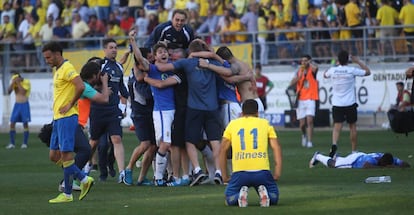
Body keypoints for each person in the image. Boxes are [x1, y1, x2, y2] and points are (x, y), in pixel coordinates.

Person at [42, 41, 94, 203]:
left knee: (66, 156)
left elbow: (80, 86)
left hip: (67, 118)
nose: (47, 60)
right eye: (45, 57)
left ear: (58, 54)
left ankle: (67, 194)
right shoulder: (58, 70)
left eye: (49, 57)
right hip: (58, 119)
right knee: (53, 155)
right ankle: (83, 179)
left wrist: (70, 104)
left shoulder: (67, 68)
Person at [219, 99, 282, 207]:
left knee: (229, 199)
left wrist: (224, 176)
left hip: (240, 172)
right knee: (274, 198)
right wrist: (277, 172)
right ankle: (265, 195)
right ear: (257, 113)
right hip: (262, 172)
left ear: (242, 113)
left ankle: (239, 196)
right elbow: (276, 148)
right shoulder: (265, 124)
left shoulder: (233, 124)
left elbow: (222, 150)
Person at [88, 38, 129, 184]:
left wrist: (123, 106)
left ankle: (122, 173)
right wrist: (100, 89)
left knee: (116, 139)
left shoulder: (119, 66)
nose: (114, 50)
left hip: (113, 110)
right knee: (94, 142)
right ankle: (86, 167)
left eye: (116, 47)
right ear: (104, 50)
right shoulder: (99, 65)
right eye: (111, 47)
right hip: (98, 109)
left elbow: (123, 90)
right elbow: (86, 83)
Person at [324, 50, 371, 157]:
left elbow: (325, 74)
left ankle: (334, 145)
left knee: (337, 127)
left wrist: (334, 65)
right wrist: (358, 61)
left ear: (338, 60)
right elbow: (368, 72)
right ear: (348, 60)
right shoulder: (351, 70)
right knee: (352, 127)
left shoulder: (333, 70)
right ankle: (354, 151)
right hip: (350, 102)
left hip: (337, 103)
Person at [289, 54, 319, 148]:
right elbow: (291, 83)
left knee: (310, 121)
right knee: (302, 123)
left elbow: (316, 68)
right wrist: (299, 75)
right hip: (301, 99)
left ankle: (310, 141)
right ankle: (304, 135)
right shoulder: (298, 71)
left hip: (310, 98)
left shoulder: (312, 70)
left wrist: (311, 63)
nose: (303, 62)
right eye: (302, 61)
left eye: (305, 61)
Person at [6, 73, 31, 149]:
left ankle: (24, 143)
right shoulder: (15, 83)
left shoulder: (26, 82)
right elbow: (8, 92)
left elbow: (23, 92)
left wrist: (18, 83)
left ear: (20, 78)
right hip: (17, 105)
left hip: (24, 105)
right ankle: (12, 143)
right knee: (12, 123)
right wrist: (12, 83)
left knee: (25, 123)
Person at [309, 151, 411, 168]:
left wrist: (397, 166)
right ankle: (318, 156)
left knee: (339, 161)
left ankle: (338, 157)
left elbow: (406, 165)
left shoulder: (390, 159)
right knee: (335, 165)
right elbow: (366, 166)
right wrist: (387, 169)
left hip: (360, 155)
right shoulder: (372, 161)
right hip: (354, 161)